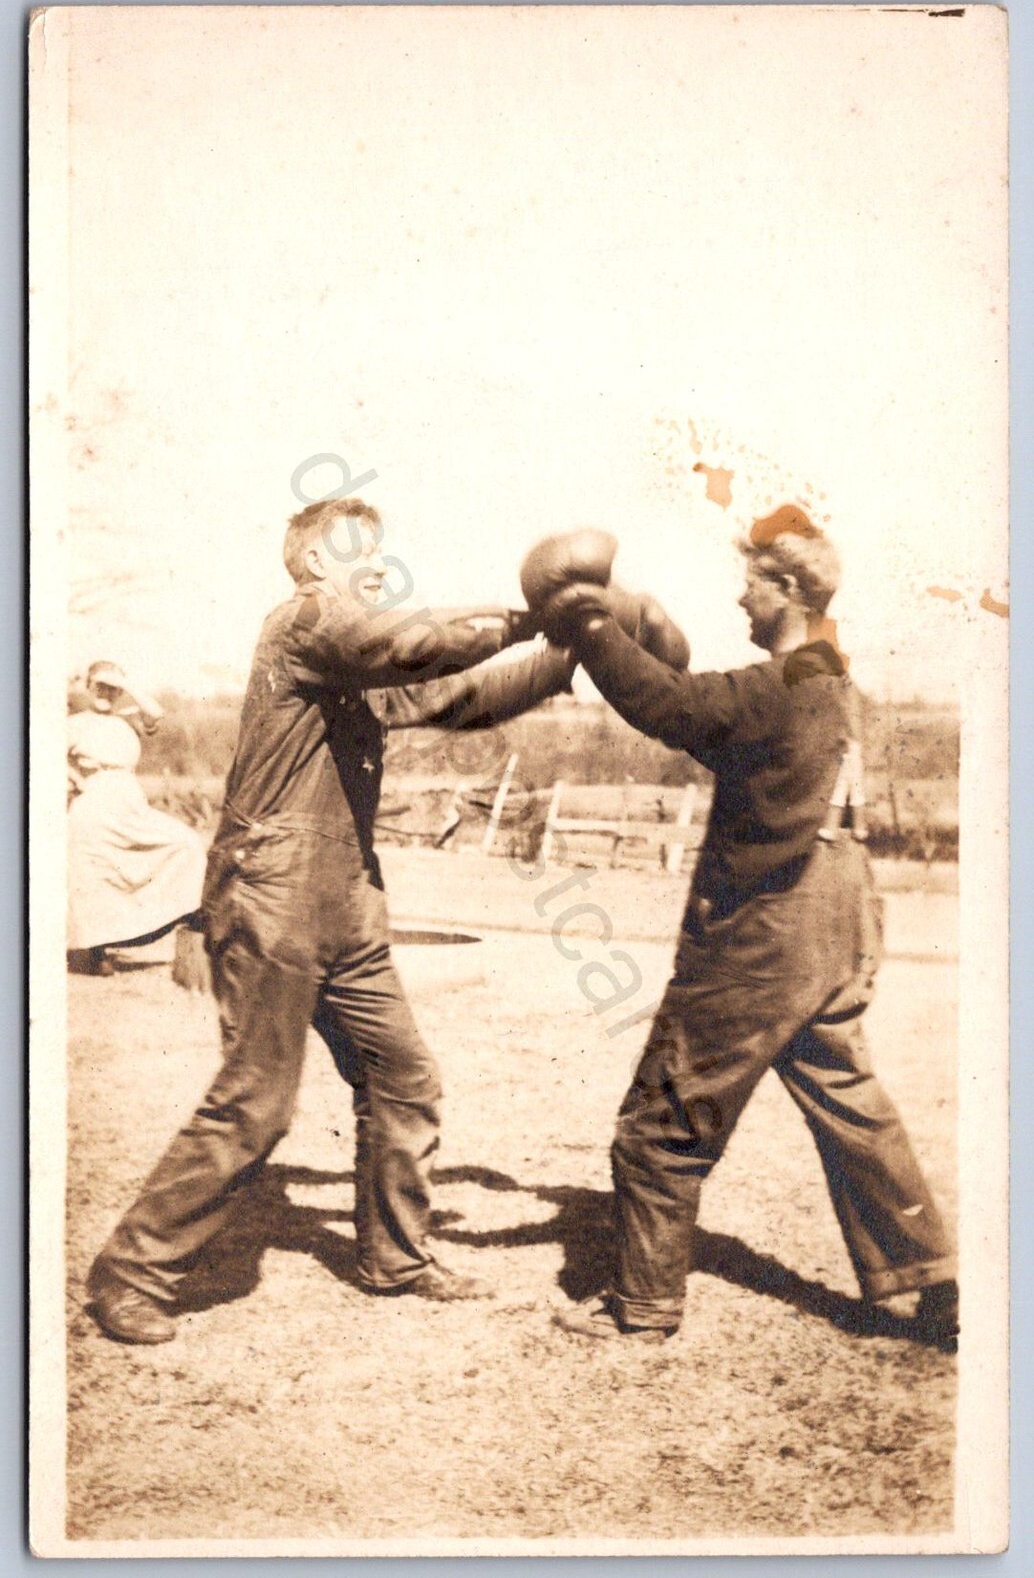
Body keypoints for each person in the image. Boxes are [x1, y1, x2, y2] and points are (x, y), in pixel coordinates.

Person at [86, 497, 589, 1344]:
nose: (382, 566)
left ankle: (396, 1257)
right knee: (256, 1104)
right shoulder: (305, 626)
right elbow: (416, 644)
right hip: (272, 893)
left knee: (403, 1079)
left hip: (348, 900)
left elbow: (458, 696)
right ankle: (130, 1273)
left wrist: (570, 654)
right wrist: (523, 620)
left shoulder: (354, 669)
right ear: (316, 562)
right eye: (363, 551)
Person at [538, 510, 959, 1350]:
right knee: (849, 1103)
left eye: (752, 585)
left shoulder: (782, 685)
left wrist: (588, 623)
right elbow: (722, 729)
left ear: (790, 589)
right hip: (841, 920)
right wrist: (634, 627)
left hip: (769, 931)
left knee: (660, 1125)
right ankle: (937, 1282)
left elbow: (673, 706)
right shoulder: (837, 682)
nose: (740, 599)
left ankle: (642, 1307)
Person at [67, 663, 207, 976]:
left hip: (130, 802)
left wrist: (124, 684)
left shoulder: (126, 720)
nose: (105, 693)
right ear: (88, 687)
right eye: (99, 686)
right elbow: (44, 754)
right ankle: (96, 950)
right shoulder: (74, 723)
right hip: (94, 802)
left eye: (111, 688)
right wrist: (73, 776)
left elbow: (155, 713)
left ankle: (178, 915)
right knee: (96, 875)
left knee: (185, 842)